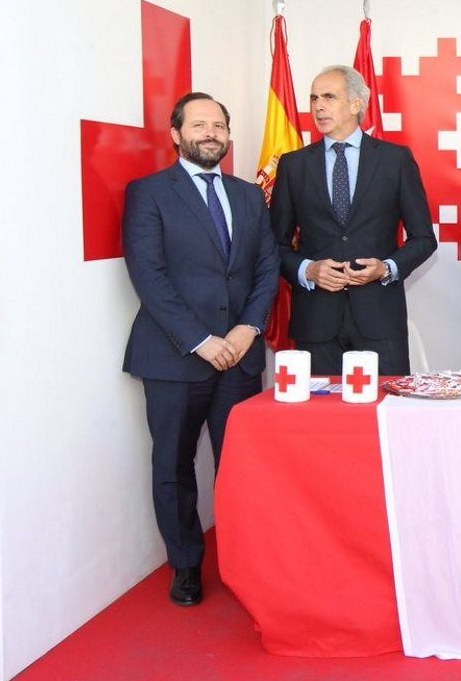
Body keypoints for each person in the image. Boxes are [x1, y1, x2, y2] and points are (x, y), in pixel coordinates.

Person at [122, 92, 278, 606]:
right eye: (199, 124)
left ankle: (249, 564)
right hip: (174, 356)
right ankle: (186, 565)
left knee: (242, 467)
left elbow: (265, 269)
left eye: (219, 125)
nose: (210, 133)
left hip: (239, 355)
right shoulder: (148, 193)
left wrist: (248, 329)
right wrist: (201, 340)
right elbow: (149, 275)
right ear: (176, 133)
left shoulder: (250, 196)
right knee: (174, 463)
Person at [270, 65, 436, 376]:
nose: (318, 106)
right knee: (320, 422)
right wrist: (308, 270)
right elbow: (274, 243)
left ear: (357, 104)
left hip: (380, 319)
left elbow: (424, 239)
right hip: (315, 322)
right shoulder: (293, 166)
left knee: (383, 414)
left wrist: (386, 268)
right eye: (314, 98)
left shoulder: (394, 160)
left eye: (329, 97)